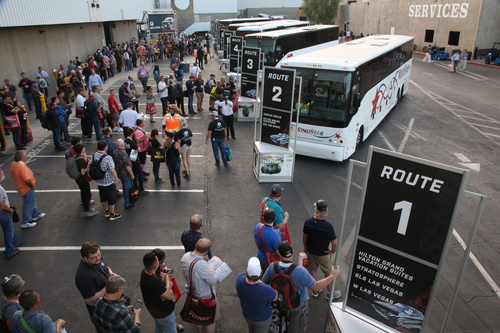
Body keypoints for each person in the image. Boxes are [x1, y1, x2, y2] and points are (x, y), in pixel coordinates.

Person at [262, 243, 341, 333]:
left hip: (279, 303)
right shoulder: (299, 270)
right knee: (297, 329)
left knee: (280, 327)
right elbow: (316, 287)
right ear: (292, 252)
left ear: (280, 254)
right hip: (298, 306)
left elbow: (263, 283)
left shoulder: (273, 267)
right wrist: (332, 276)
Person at [303, 200, 342, 300]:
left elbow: (305, 237)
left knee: (313, 270)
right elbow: (335, 243)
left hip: (311, 251)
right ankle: (330, 293)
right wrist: (332, 251)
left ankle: (316, 290)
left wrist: (305, 247)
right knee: (328, 272)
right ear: (326, 211)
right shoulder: (328, 227)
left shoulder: (308, 222)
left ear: (316, 210)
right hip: (323, 253)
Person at [180, 238, 218, 333]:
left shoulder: (185, 257)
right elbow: (213, 280)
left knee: (199, 317)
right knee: (210, 320)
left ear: (196, 245)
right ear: (206, 251)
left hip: (192, 292)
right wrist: (211, 267)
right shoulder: (202, 265)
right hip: (204, 295)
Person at [75, 241, 115, 329]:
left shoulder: (96, 260)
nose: (98, 259)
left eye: (99, 255)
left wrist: (112, 275)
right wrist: (108, 286)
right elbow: (90, 301)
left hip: (110, 303)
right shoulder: (83, 276)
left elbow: (106, 267)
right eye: (93, 258)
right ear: (84, 258)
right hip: (102, 311)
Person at [236, 257, 277, 333]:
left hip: (247, 314)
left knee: (251, 329)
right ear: (261, 273)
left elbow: (243, 276)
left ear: (246, 272)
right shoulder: (266, 289)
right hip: (262, 319)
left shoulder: (239, 279)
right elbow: (275, 297)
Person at [140, 251, 177, 333]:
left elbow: (161, 274)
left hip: (156, 311)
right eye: (157, 260)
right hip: (164, 313)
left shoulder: (145, 272)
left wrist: (164, 276)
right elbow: (170, 295)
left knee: (159, 328)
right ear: (156, 266)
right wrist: (167, 284)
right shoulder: (154, 283)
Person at [10, 151, 45, 229]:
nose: (27, 156)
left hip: (20, 187)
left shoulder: (14, 164)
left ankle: (35, 214)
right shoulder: (21, 167)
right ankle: (25, 222)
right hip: (26, 188)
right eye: (26, 155)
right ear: (22, 157)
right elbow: (27, 180)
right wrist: (31, 185)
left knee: (31, 202)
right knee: (28, 204)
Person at [93, 140, 121, 220]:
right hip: (107, 181)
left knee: (103, 197)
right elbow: (112, 170)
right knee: (111, 198)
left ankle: (106, 211)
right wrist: (116, 178)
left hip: (99, 181)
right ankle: (112, 213)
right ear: (106, 147)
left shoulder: (94, 155)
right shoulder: (108, 157)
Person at [72, 144, 99, 217]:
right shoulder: (81, 160)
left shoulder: (75, 157)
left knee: (83, 192)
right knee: (86, 193)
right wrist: (88, 165)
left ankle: (85, 204)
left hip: (78, 179)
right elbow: (83, 172)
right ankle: (87, 209)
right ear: (81, 150)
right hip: (82, 179)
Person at [0, 169, 20, 260]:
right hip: (3, 213)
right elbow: (1, 205)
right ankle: (9, 251)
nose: (3, 174)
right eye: (1, 172)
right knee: (8, 232)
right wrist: (10, 210)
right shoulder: (0, 190)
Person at [255, 207, 280, 271]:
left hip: (259, 257)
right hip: (268, 261)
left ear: (263, 218)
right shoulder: (275, 235)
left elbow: (256, 242)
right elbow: (278, 252)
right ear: (274, 218)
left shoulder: (258, 226)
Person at [124, 128, 148, 196]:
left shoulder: (125, 141)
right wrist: (137, 149)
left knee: (134, 174)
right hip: (134, 159)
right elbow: (139, 149)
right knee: (140, 174)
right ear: (132, 134)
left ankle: (135, 186)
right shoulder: (131, 142)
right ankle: (141, 189)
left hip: (129, 158)